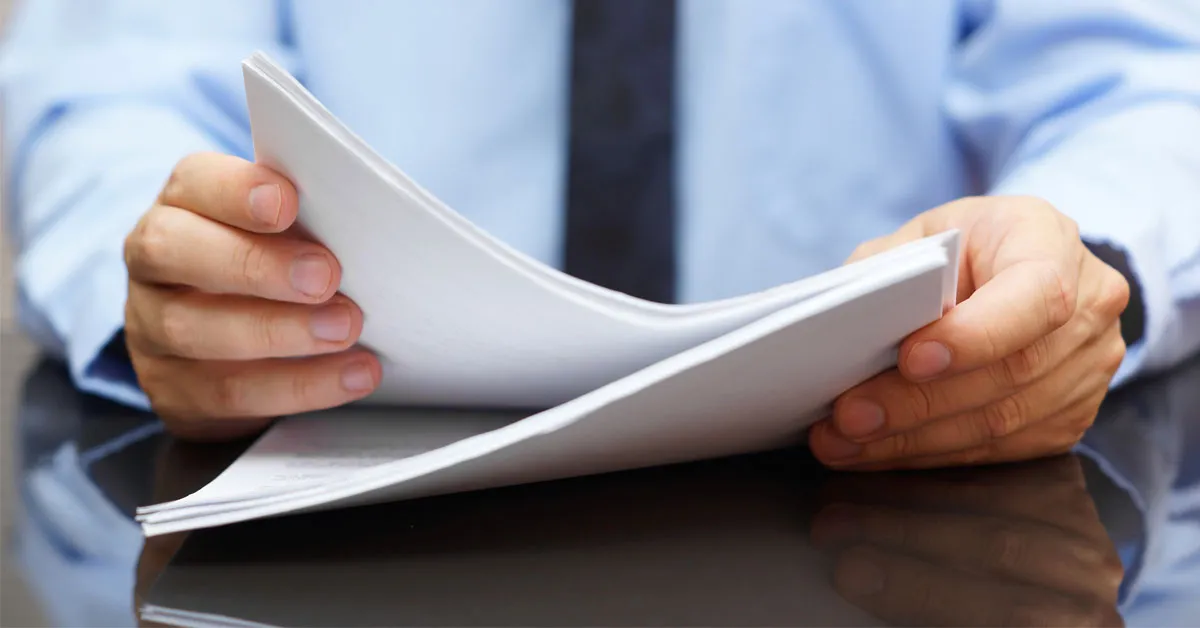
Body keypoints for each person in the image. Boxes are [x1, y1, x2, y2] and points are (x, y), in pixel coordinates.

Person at [2, 1, 1198, 468]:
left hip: (889, 473)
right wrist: (168, 272)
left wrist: (1083, 260)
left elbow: (1148, 87)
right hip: (354, 479)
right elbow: (110, 84)